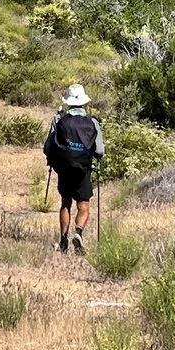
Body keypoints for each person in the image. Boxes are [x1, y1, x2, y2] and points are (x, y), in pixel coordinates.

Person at [42, 82, 105, 254]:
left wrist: (53, 160)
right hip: (83, 169)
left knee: (65, 203)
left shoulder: (59, 120)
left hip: (64, 168)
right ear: (84, 102)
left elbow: (47, 147)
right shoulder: (92, 122)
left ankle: (63, 241)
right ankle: (78, 232)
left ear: (68, 101)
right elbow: (100, 150)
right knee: (83, 205)